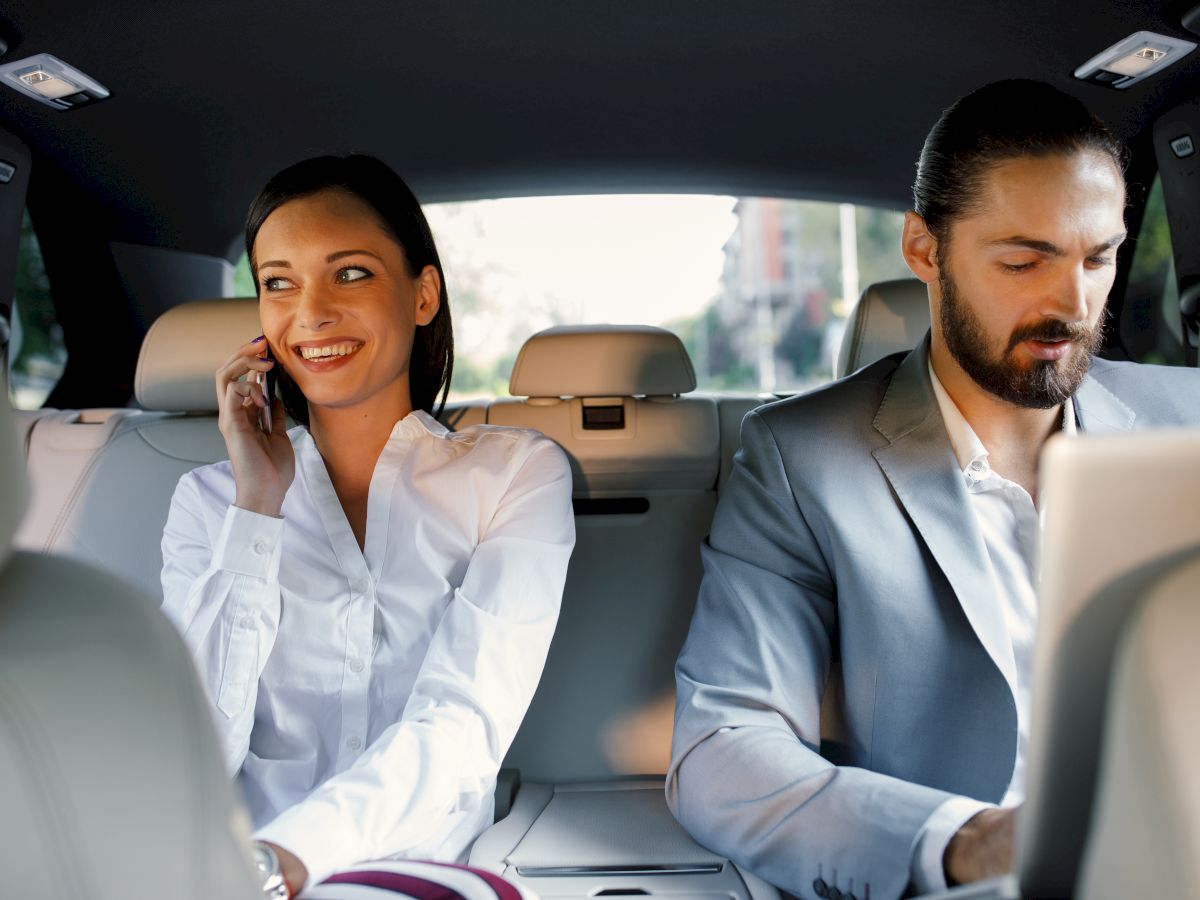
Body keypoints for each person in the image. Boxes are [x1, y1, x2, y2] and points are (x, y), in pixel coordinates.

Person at [666, 79, 1200, 900]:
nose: (1073, 302)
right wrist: (972, 841)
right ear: (924, 250)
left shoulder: (1189, 418)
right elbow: (723, 749)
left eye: (1098, 257)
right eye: (1024, 261)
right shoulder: (801, 457)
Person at [161, 155, 575, 897]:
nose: (309, 313)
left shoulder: (514, 474)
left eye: (348, 273)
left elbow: (461, 725)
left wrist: (286, 859)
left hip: (410, 871)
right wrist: (255, 507)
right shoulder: (209, 502)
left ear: (422, 295)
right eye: (278, 283)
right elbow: (194, 747)